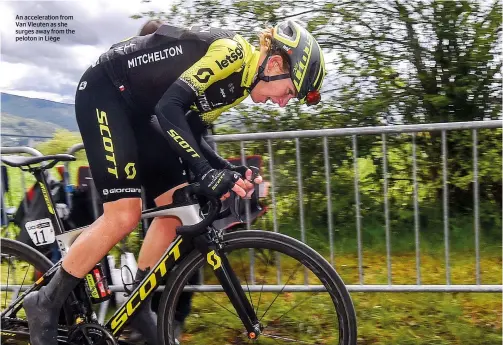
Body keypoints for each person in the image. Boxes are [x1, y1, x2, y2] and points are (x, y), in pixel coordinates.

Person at [23, 19, 326, 345]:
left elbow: (191, 131)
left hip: (142, 112)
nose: (283, 102)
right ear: (276, 63)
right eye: (289, 91)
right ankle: (45, 302)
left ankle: (138, 302)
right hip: (106, 92)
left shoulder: (240, 86)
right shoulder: (233, 54)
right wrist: (206, 171)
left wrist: (227, 168)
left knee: (176, 207)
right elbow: (171, 108)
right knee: (123, 215)